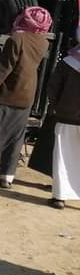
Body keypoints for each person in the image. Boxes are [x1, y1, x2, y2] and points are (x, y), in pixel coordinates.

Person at [0, 6, 53, 188]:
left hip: (7, 93)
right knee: (15, 138)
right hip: (28, 94)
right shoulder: (44, 43)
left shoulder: (15, 39)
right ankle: (6, 177)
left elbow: (2, 71)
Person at [46, 28, 80, 209]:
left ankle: (59, 197)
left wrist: (56, 107)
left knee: (62, 156)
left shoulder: (67, 62)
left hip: (66, 115)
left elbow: (53, 87)